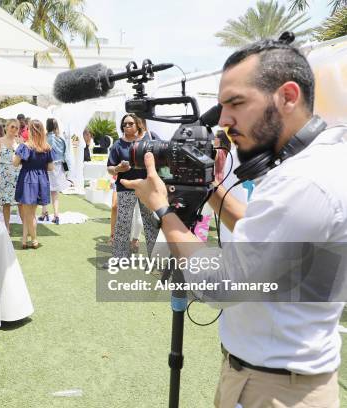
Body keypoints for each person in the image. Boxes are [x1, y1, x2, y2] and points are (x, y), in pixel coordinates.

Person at [123, 38, 347, 408]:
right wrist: (208, 185)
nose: (224, 120)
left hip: (275, 389)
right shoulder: (321, 160)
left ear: (288, 97)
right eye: (222, 106)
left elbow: (221, 285)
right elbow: (262, 236)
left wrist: (162, 209)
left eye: (237, 104)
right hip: (269, 377)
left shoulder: (301, 183)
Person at [106, 114, 159, 259]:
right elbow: (109, 168)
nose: (126, 127)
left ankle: (155, 257)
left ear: (138, 124)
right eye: (124, 124)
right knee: (123, 223)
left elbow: (162, 154)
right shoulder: (118, 144)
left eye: (130, 124)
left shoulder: (150, 137)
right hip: (125, 188)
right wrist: (117, 169)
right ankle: (120, 256)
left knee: (150, 223)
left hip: (146, 187)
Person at [14, 119, 54, 249]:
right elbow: (51, 168)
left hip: (27, 179)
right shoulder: (47, 148)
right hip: (41, 179)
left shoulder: (25, 146)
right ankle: (25, 240)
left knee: (29, 214)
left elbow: (15, 163)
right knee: (29, 213)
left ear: (29, 131)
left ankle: (34, 240)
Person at [39, 118, 71, 224]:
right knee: (55, 192)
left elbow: (43, 152)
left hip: (48, 166)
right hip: (59, 166)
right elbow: (66, 154)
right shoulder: (61, 138)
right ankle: (56, 215)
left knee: (44, 190)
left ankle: (44, 212)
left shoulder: (46, 138)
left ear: (47, 126)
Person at [0, 119, 21, 233]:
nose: (14, 129)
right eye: (12, 127)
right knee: (6, 203)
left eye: (17, 128)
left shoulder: (19, 141)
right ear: (7, 127)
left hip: (17, 174)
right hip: (3, 175)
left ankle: (25, 228)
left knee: (20, 202)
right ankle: (7, 226)